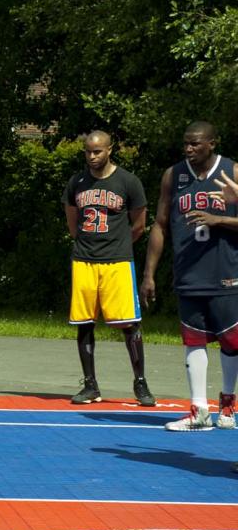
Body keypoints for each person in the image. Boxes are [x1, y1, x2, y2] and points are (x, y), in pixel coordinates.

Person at [141, 121, 238, 431]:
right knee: (193, 340)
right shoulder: (174, 175)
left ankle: (227, 404)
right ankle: (198, 409)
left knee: (232, 342)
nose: (189, 148)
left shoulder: (232, 172)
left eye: (196, 143)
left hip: (226, 272)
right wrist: (149, 274)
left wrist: (219, 219)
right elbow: (160, 224)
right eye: (186, 143)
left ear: (212, 143)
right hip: (189, 272)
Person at [62, 130, 154, 406]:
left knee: (129, 323)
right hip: (84, 260)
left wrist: (119, 243)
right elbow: (72, 223)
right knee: (84, 323)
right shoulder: (76, 182)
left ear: (110, 150)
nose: (92, 156)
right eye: (88, 151)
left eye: (98, 151)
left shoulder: (128, 181)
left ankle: (140, 383)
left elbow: (138, 225)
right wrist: (86, 246)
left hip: (117, 261)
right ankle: (90, 385)